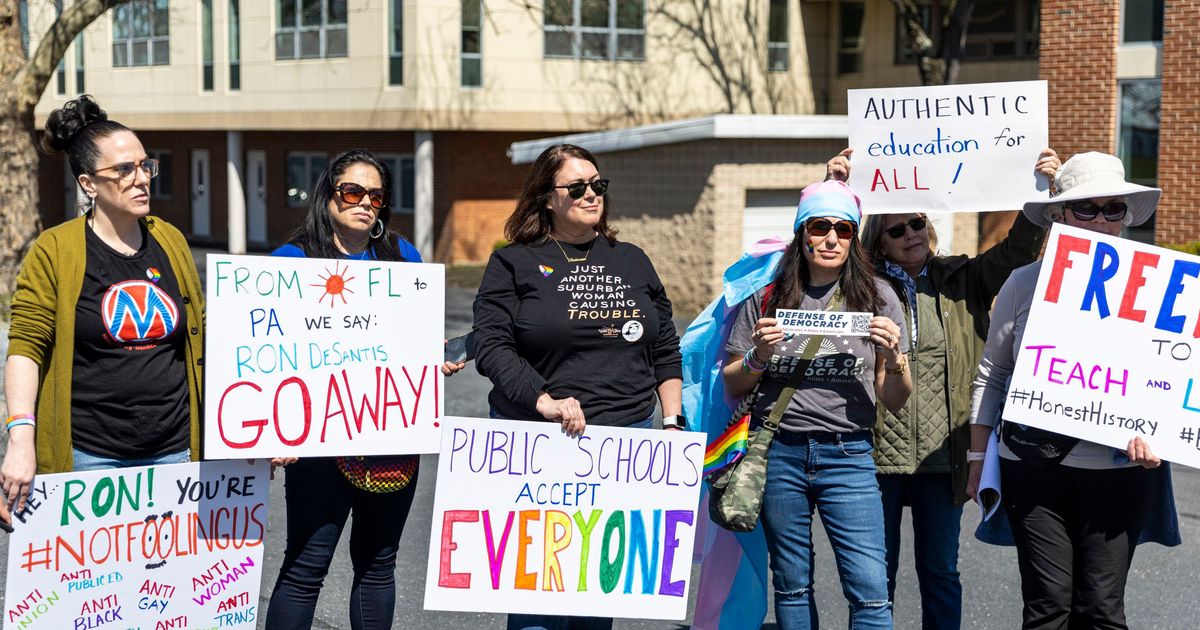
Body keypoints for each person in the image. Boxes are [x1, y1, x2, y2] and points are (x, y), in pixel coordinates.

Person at [828, 147, 1060, 629]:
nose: (910, 234)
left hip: (943, 454)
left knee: (939, 571)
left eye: (916, 224)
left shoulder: (964, 278)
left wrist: (1042, 193)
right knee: (876, 576)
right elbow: (822, 249)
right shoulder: (858, 287)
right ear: (879, 240)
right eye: (896, 229)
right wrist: (835, 188)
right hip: (875, 457)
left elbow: (1018, 250)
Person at [472, 143, 684, 630]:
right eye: (578, 187)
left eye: (598, 185)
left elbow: (664, 347)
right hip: (541, 444)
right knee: (539, 605)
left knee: (596, 597)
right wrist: (542, 401)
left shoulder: (632, 259)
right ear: (547, 198)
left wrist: (672, 422)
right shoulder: (514, 263)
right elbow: (493, 345)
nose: (592, 194)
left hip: (623, 446)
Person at [968, 151, 1181, 629]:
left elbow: (1173, 378)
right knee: (1047, 609)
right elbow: (993, 375)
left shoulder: (1159, 292)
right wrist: (978, 462)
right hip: (1032, 467)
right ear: (1059, 215)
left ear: (1126, 216)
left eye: (1114, 208)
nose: (1101, 220)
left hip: (1119, 469)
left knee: (1102, 611)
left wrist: (1162, 434)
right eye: (1086, 208)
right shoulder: (1024, 284)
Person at [262, 149, 463, 630]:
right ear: (328, 195)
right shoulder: (293, 260)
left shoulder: (403, 255)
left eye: (376, 194)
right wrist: (272, 428)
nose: (365, 202)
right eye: (352, 191)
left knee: (378, 566)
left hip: (390, 436)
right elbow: (266, 351)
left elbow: (413, 335)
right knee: (305, 568)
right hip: (318, 442)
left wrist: (429, 356)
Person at [1, 95, 204, 519]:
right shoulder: (56, 249)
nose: (141, 178)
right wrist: (21, 438)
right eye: (124, 170)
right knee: (97, 585)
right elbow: (26, 347)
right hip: (91, 458)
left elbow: (202, 335)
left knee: (165, 582)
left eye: (145, 165)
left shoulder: (170, 240)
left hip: (174, 452)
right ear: (88, 183)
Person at [721, 179, 912, 629]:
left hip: (850, 454)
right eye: (820, 226)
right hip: (778, 451)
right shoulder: (766, 295)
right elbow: (732, 382)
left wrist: (894, 358)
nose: (831, 238)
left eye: (844, 229)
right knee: (791, 583)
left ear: (854, 237)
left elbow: (895, 398)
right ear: (801, 232)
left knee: (869, 589)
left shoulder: (880, 297)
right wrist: (757, 356)